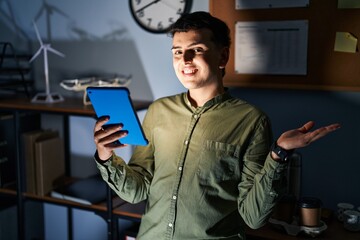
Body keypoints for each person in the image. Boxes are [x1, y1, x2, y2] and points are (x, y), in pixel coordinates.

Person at [93, 11, 340, 240]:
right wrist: (106, 156)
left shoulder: (252, 120)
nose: (184, 59)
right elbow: (136, 192)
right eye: (177, 52)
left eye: (196, 49)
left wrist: (279, 154)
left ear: (222, 56)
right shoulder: (158, 111)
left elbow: (254, 217)